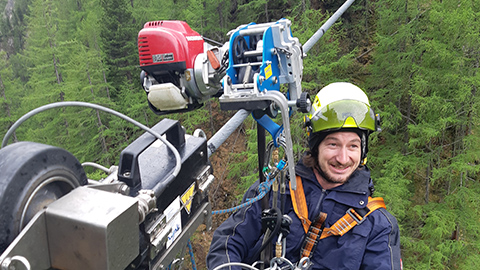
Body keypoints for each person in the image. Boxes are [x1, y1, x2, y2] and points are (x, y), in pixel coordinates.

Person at [207, 82, 402, 270]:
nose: (343, 159)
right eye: (333, 144)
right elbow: (227, 243)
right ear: (316, 146)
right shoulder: (277, 190)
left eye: (353, 146)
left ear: (363, 151)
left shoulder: (377, 225)